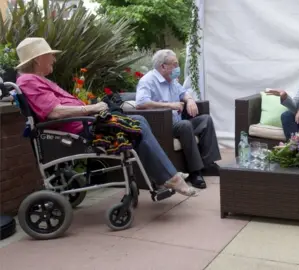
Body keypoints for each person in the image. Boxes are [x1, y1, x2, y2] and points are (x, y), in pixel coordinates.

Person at [14, 37, 196, 197]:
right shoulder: (28, 81)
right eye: (50, 55)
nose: (54, 58)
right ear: (38, 59)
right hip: (81, 129)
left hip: (85, 124)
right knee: (137, 123)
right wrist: (91, 109)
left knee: (133, 121)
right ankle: (168, 176)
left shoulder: (37, 80)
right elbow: (55, 112)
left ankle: (166, 175)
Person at [135, 49, 221, 189]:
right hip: (163, 125)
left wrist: (190, 100)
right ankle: (195, 172)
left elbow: (184, 93)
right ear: (163, 66)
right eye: (175, 64)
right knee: (185, 125)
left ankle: (208, 164)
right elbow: (140, 103)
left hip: (177, 122)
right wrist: (169, 105)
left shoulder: (171, 81)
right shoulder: (148, 80)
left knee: (205, 119)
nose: (178, 68)